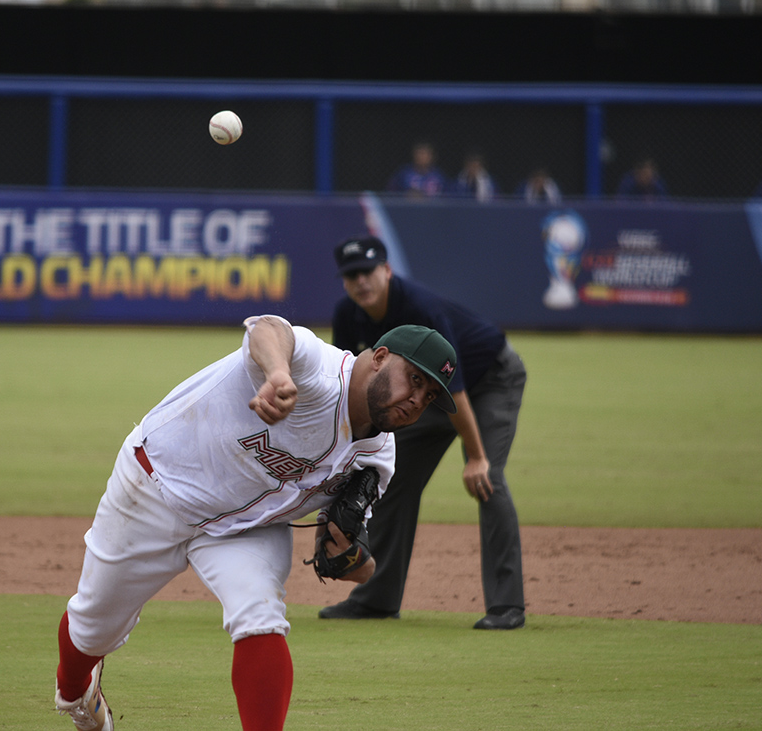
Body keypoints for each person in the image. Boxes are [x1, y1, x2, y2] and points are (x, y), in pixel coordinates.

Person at [54, 313, 458, 731]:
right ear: (380, 357)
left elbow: (356, 564)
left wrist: (349, 555)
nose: (416, 399)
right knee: (92, 629)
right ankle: (74, 691)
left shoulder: (379, 458)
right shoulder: (316, 370)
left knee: (260, 615)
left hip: (248, 528)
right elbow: (268, 329)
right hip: (156, 485)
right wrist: (278, 374)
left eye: (428, 396)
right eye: (414, 379)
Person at [319, 236, 527, 631]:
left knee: (487, 479)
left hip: (490, 380)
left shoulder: (420, 308)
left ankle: (507, 606)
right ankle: (376, 599)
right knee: (389, 479)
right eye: (351, 275)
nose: (360, 281)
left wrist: (477, 456)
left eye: (367, 271)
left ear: (387, 270)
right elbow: (347, 382)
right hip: (424, 396)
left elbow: (458, 388)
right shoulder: (348, 313)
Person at [386, 140, 451, 198]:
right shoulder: (403, 174)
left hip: (433, 210)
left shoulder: (439, 176)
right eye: (419, 153)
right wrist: (406, 195)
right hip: (408, 210)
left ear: (432, 156)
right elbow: (390, 194)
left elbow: (448, 198)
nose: (422, 157)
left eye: (425, 154)